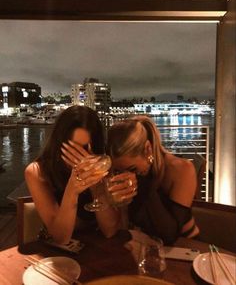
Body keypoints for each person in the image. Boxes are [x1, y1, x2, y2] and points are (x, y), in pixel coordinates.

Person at [105, 116, 200, 245]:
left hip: (184, 246)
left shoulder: (181, 169)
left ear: (148, 149)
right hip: (144, 244)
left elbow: (169, 235)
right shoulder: (122, 175)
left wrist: (143, 181)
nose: (126, 175)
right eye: (119, 171)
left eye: (132, 169)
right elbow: (122, 225)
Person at [25, 105, 112, 244]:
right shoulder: (37, 172)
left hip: (99, 248)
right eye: (73, 148)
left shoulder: (101, 163)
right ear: (59, 143)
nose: (81, 157)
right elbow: (61, 237)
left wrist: (96, 185)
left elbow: (110, 230)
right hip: (58, 254)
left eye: (84, 149)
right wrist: (72, 189)